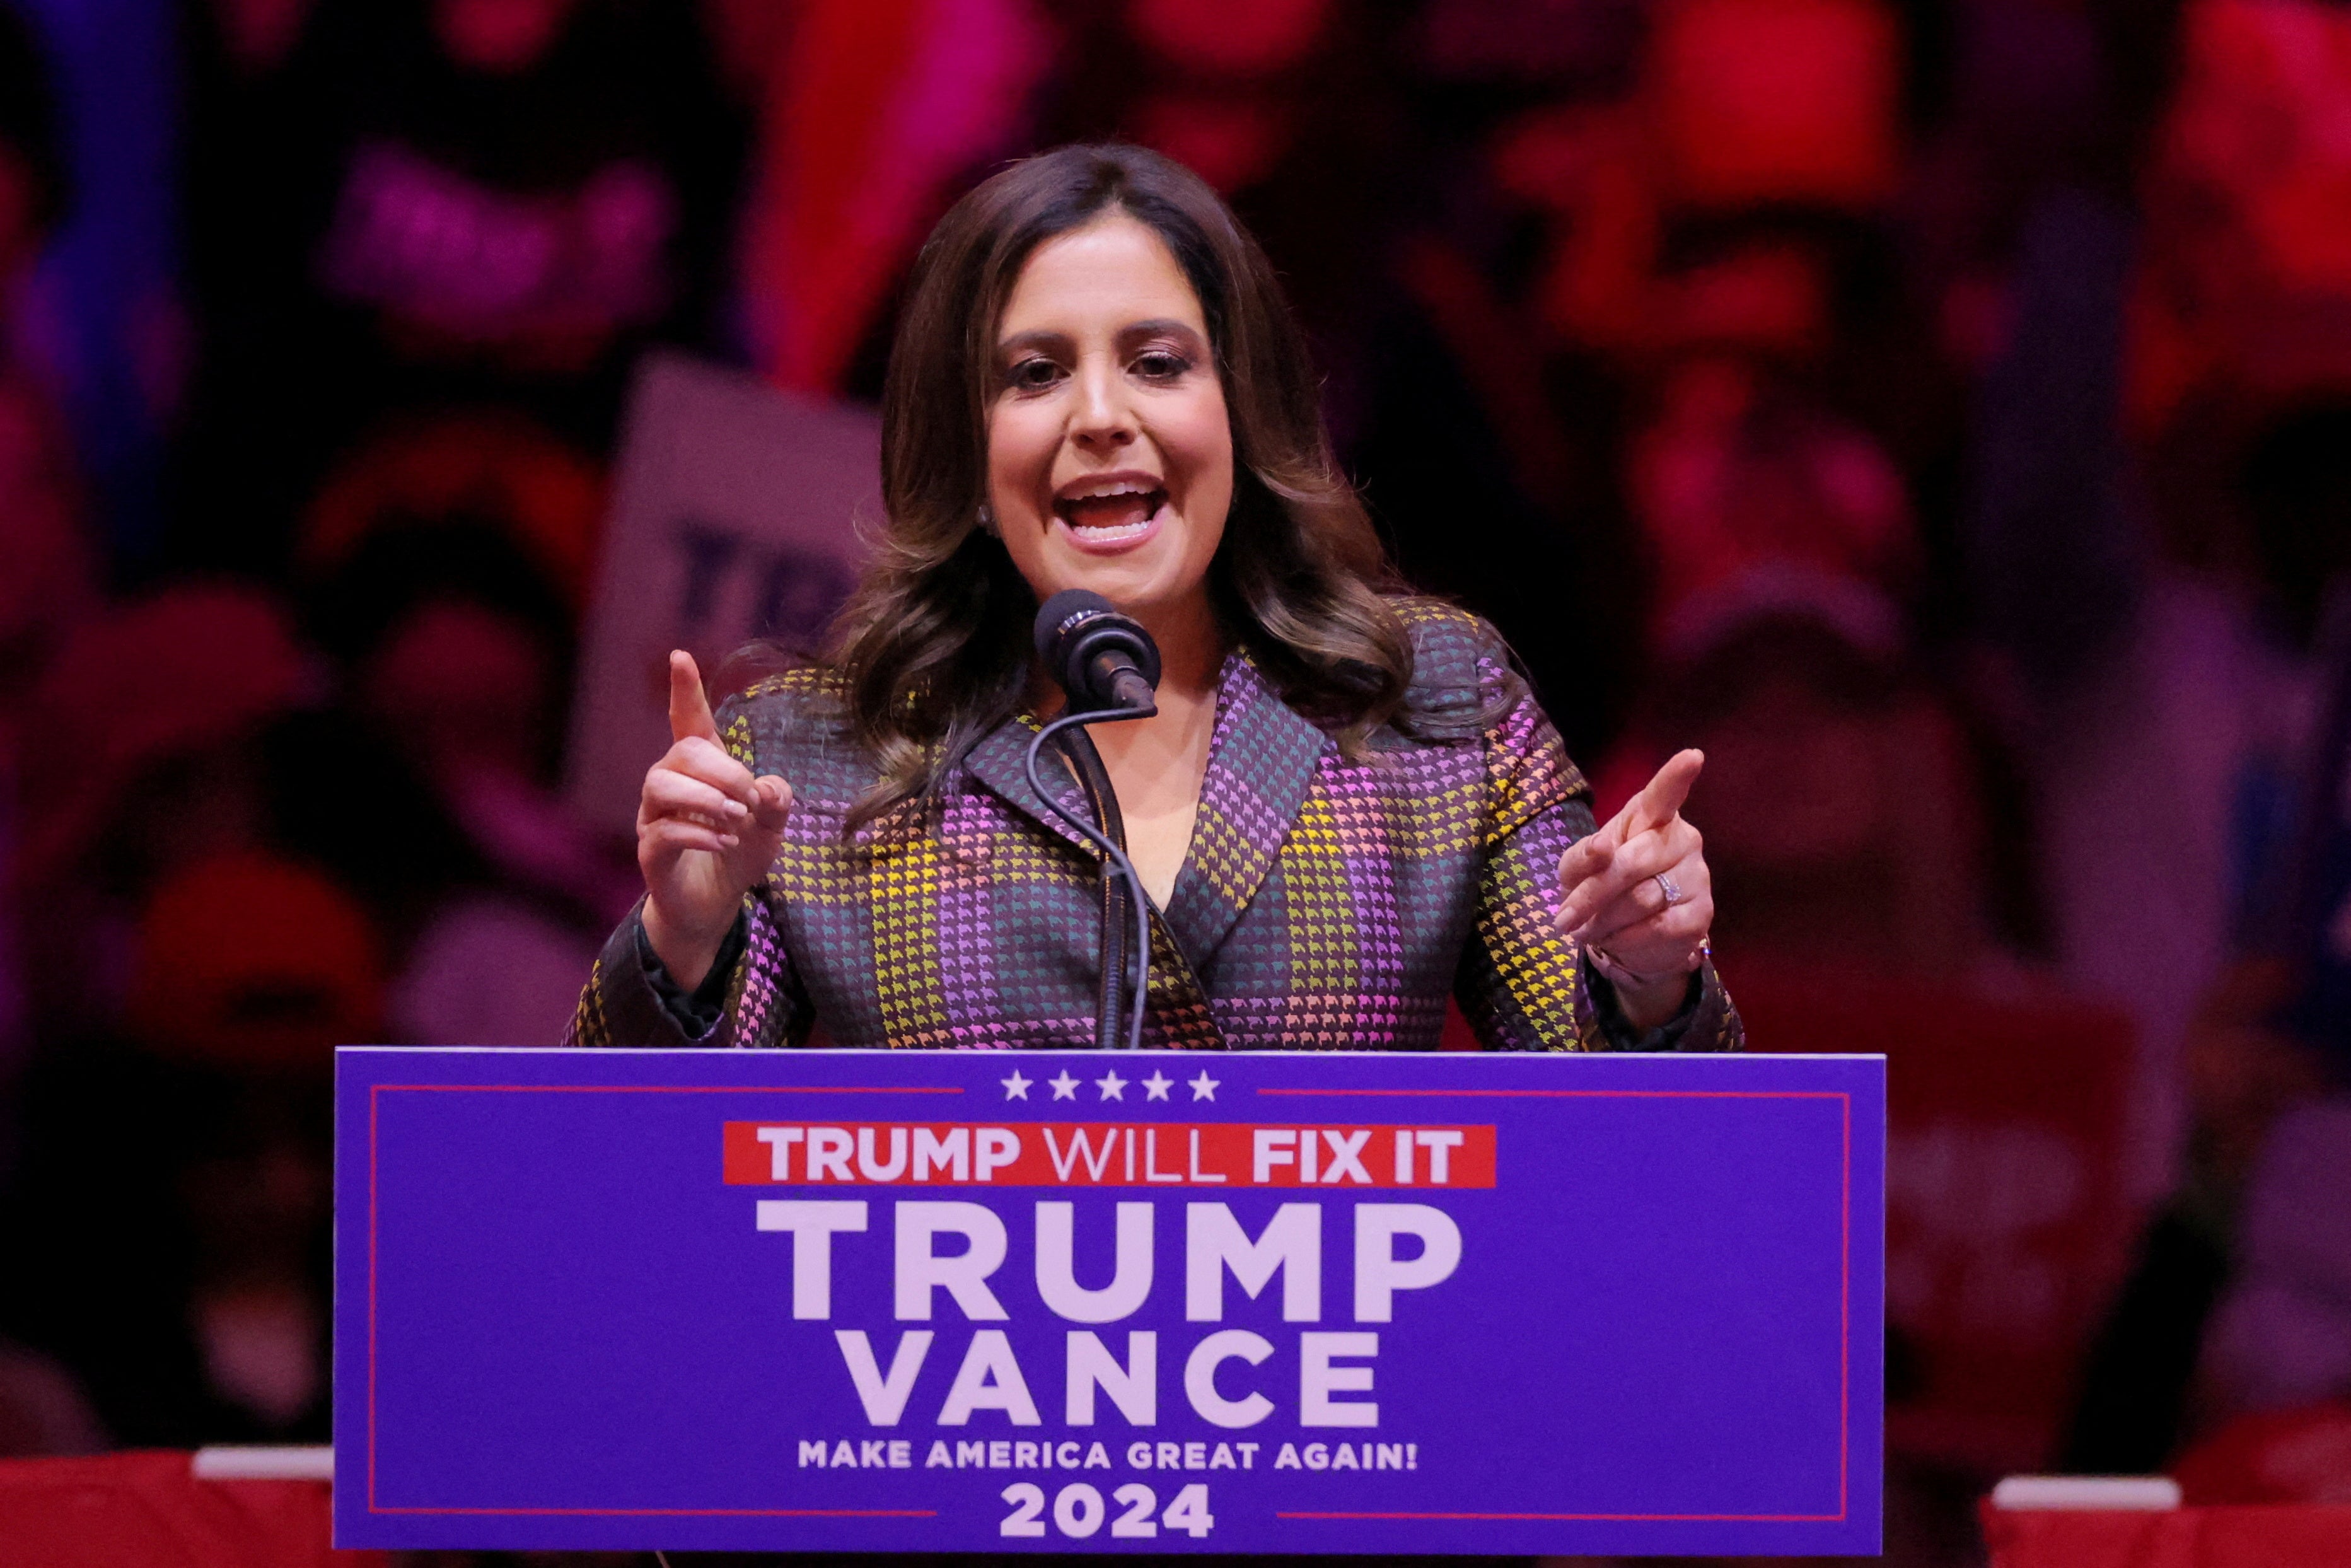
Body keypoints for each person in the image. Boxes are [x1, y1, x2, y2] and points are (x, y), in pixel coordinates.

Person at [567, 144, 1733, 1054]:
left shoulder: (1429, 706)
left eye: (1157, 362)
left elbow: (1634, 1157)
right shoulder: (811, 758)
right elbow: (627, 1206)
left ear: (1241, 413)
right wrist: (682, 940)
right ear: (964, 456)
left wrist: (1650, 971)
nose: (1098, 415)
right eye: (1033, 374)